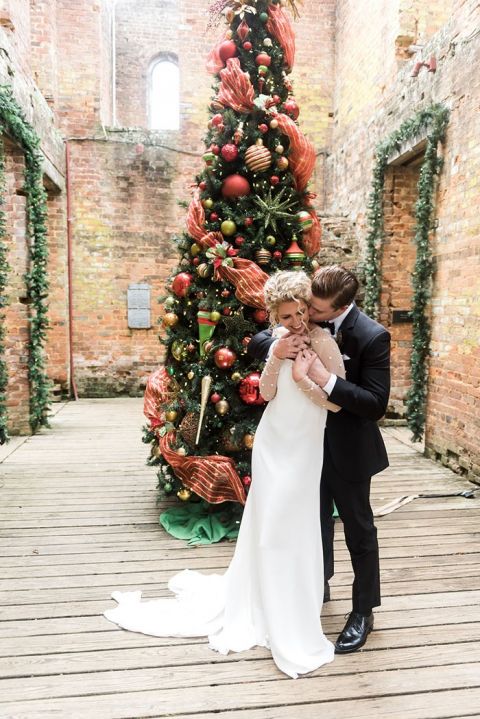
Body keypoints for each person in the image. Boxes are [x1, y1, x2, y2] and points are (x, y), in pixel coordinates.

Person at [104, 270, 345, 678]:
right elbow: (266, 394)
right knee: (267, 522)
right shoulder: (279, 342)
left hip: (305, 445)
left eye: (300, 313)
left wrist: (305, 378)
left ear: (309, 306)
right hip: (273, 440)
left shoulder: (324, 342)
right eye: (285, 317)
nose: (295, 323)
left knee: (296, 520)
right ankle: (260, 598)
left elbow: (336, 402)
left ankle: (294, 602)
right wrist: (277, 357)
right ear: (274, 315)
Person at [248, 265, 391, 653]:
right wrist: (276, 349)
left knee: (358, 527)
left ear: (338, 307)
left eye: (314, 310)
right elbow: (262, 337)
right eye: (303, 307)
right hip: (299, 445)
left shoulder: (373, 337)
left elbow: (375, 404)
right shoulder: (298, 316)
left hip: (347, 447)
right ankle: (318, 585)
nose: (306, 316)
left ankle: (363, 610)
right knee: (313, 521)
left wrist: (322, 378)